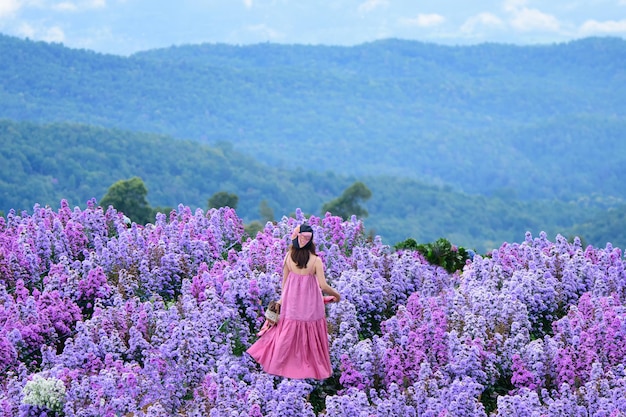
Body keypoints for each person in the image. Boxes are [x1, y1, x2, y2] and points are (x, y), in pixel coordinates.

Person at [246, 223, 341, 380]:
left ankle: (281, 364)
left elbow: (284, 284)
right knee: (311, 334)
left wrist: (283, 300)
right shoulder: (316, 261)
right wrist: (337, 295)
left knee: (286, 334)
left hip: (292, 304)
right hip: (311, 306)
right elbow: (323, 285)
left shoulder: (288, 257)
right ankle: (310, 368)